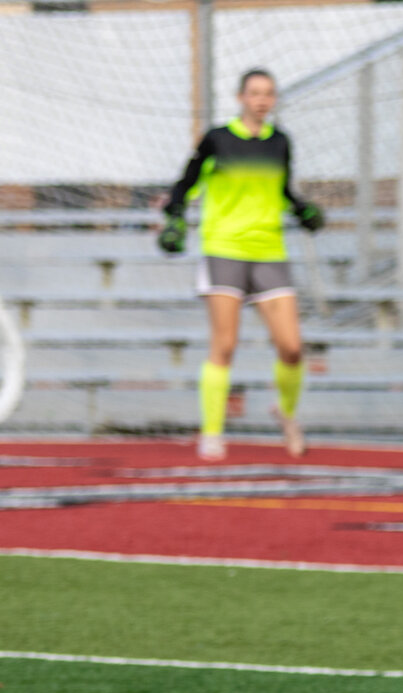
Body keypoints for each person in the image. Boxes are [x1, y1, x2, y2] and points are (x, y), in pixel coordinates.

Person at [158, 67, 324, 461]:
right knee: (225, 345)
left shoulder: (280, 142)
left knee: (292, 348)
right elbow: (185, 184)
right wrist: (174, 218)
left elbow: (281, 188)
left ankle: (285, 413)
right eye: (254, 93)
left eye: (268, 93)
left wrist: (302, 209)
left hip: (269, 251)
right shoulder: (217, 139)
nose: (261, 99)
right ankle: (212, 434)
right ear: (240, 98)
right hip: (224, 248)